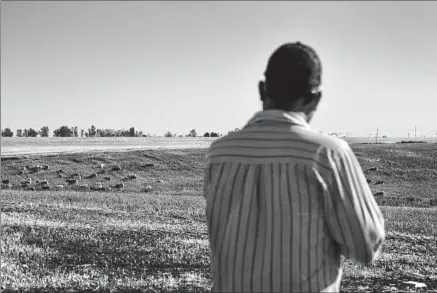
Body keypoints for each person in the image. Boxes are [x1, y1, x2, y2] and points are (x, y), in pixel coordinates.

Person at [203, 42, 385, 293]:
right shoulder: (327, 155)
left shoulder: (219, 153)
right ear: (316, 98)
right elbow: (365, 247)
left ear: (261, 89)